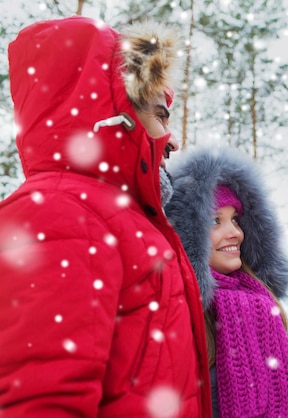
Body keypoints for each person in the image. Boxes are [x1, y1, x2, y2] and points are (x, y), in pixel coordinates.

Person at [0, 16, 211, 417]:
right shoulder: (60, 214)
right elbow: (40, 399)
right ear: (117, 110)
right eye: (160, 113)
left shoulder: (116, 218)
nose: (174, 139)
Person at [165, 147, 288, 418]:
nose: (234, 233)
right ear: (189, 235)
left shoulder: (265, 306)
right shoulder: (180, 314)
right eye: (214, 221)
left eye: (235, 219)